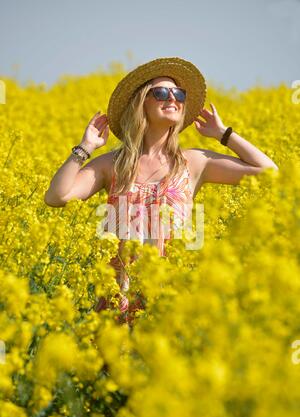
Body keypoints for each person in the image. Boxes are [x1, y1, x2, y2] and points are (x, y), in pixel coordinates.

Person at [44, 56, 279, 327]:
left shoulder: (194, 162)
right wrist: (84, 148)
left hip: (172, 298)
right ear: (141, 102)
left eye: (178, 93)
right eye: (161, 92)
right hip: (116, 299)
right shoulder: (112, 164)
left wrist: (224, 134)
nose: (173, 98)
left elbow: (269, 174)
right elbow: (56, 197)